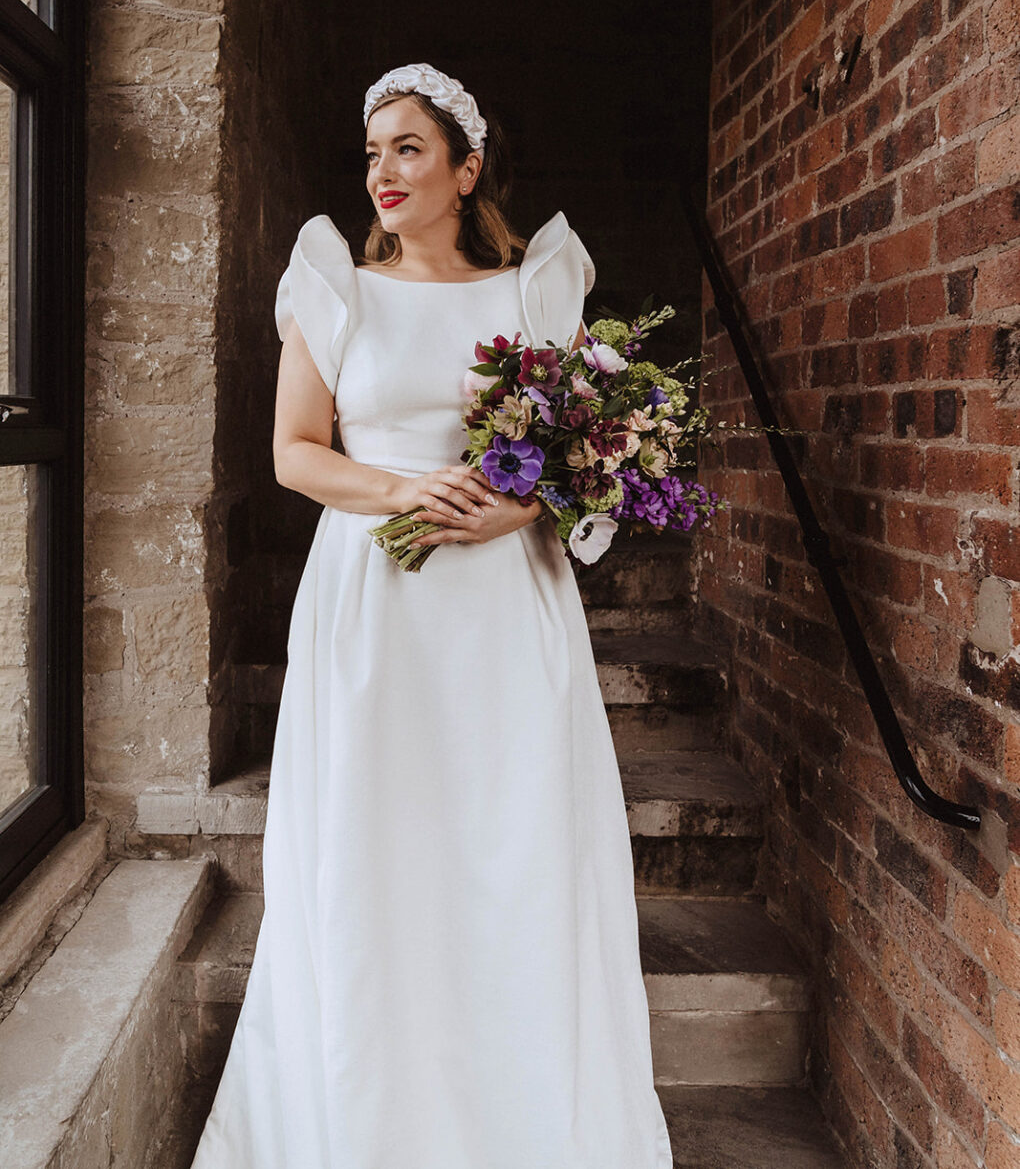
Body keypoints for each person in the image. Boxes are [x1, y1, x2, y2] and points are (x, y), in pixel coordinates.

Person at [189, 63, 673, 1168]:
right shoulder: (334, 287)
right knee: (379, 847)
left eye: (409, 148)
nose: (384, 172)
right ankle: (368, 1116)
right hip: (376, 603)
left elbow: (569, 457)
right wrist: (405, 490)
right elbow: (294, 454)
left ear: (466, 167)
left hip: (505, 604)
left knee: (513, 843)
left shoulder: (532, 293)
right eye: (372, 152)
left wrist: (519, 508)